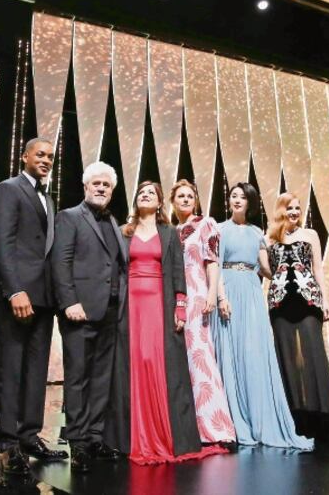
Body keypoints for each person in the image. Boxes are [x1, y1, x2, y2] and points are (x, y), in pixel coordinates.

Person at [106, 181, 227, 464]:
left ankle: (163, 432)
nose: (145, 195)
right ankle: (134, 435)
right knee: (133, 363)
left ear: (160, 202)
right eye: (141, 192)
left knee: (156, 361)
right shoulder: (125, 232)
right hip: (130, 304)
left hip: (159, 303)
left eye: (151, 193)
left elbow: (176, 270)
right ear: (135, 200)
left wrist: (180, 306)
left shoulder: (168, 232)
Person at [213, 182, 312, 451]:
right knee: (231, 354)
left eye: (242, 197)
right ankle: (233, 421)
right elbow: (216, 266)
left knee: (253, 353)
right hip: (229, 291)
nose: (236, 200)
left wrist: (290, 270)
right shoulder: (220, 230)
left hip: (252, 293)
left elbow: (266, 269)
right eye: (233, 196)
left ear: (250, 203)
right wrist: (221, 297)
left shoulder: (258, 232)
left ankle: (259, 417)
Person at [0, 137, 68, 475]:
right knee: (11, 370)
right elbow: (2, 244)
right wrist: (14, 290)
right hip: (19, 296)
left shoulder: (48, 198)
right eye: (40, 154)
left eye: (51, 156)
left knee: (36, 371)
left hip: (44, 298)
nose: (47, 160)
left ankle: (29, 435)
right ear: (24, 156)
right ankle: (9, 444)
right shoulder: (9, 189)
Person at [50, 162, 126, 472]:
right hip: (79, 311)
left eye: (106, 185)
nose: (101, 188)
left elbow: (117, 266)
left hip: (109, 311)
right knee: (79, 378)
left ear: (112, 191)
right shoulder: (69, 217)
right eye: (96, 183)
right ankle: (78, 441)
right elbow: (60, 262)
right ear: (85, 187)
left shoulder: (113, 222)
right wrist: (69, 301)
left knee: (101, 379)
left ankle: (95, 436)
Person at [266, 192, 329, 447]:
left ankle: (327, 420)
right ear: (280, 210)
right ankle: (297, 421)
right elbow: (265, 270)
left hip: (308, 299)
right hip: (280, 302)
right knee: (288, 361)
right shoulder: (268, 238)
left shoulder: (311, 235)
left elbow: (318, 269)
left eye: (297, 208)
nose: (294, 212)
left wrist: (325, 300)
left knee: (313, 358)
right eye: (289, 208)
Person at [169, 179, 236, 445]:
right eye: (180, 196)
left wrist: (213, 295)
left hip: (198, 296)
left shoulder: (206, 223)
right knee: (181, 362)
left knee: (201, 358)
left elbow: (212, 262)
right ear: (173, 202)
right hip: (176, 299)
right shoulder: (172, 230)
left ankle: (214, 425)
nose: (185, 200)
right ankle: (187, 426)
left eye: (189, 196)